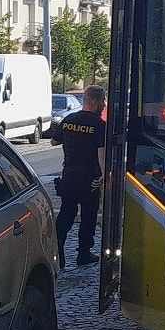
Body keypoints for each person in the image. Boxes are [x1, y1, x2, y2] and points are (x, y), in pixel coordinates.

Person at [44, 85, 108, 268]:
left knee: (66, 213)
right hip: (90, 178)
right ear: (94, 101)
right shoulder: (99, 125)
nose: (104, 105)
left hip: (69, 175)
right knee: (88, 215)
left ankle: (58, 250)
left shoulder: (69, 120)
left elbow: (54, 140)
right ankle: (84, 253)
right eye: (102, 101)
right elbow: (100, 153)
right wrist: (104, 175)